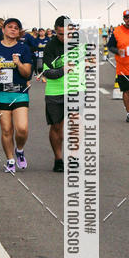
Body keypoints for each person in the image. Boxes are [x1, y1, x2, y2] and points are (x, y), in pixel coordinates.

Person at [39, 15, 81, 172]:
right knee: (57, 127)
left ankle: (74, 157)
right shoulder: (50, 47)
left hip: (76, 90)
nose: (64, 37)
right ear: (55, 31)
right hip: (55, 91)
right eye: (60, 34)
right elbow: (46, 73)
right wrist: (63, 70)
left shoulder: (81, 45)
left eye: (68, 33)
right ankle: (58, 159)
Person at [0, 18, 33, 172]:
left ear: (19, 32)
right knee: (6, 129)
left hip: (19, 92)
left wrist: (19, 64)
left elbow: (27, 73)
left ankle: (20, 150)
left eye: (16, 28)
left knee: (22, 128)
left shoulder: (23, 49)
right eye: (9, 27)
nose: (13, 29)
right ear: (3, 30)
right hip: (0, 93)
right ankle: (10, 160)